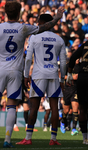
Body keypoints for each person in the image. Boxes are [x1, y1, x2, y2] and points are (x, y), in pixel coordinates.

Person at [1, 1, 64, 148]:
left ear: (5, 13)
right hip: (16, 71)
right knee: (11, 106)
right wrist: (57, 17)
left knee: (27, 106)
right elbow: (45, 27)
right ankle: (7, 140)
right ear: (19, 13)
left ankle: (23, 138)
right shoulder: (24, 28)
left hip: (1, 68)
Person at [16, 13, 66, 145]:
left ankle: (28, 138)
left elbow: (28, 59)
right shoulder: (59, 39)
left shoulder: (34, 37)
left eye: (38, 22)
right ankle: (53, 139)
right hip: (54, 75)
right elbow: (64, 62)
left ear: (42, 23)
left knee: (34, 107)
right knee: (55, 108)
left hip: (38, 75)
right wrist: (62, 80)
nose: (37, 24)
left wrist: (26, 75)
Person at [60, 58, 80, 136]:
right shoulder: (67, 66)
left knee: (75, 109)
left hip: (76, 90)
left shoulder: (81, 67)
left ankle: (74, 129)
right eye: (77, 58)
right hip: (67, 90)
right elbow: (61, 75)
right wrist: (71, 77)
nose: (78, 60)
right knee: (66, 110)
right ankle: (62, 121)